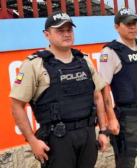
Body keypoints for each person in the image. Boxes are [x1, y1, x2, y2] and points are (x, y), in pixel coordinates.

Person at [10, 11, 108, 168]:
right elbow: (16, 106)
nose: (66, 34)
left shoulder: (84, 61)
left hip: (87, 135)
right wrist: (32, 141)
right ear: (47, 35)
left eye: (69, 30)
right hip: (57, 140)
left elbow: (97, 97)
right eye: (60, 31)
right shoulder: (34, 65)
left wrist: (103, 131)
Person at [99, 7, 137, 167]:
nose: (132, 27)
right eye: (128, 24)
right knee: (126, 163)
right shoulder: (110, 52)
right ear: (117, 27)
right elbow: (104, 88)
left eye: (134, 23)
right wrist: (111, 118)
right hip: (128, 118)